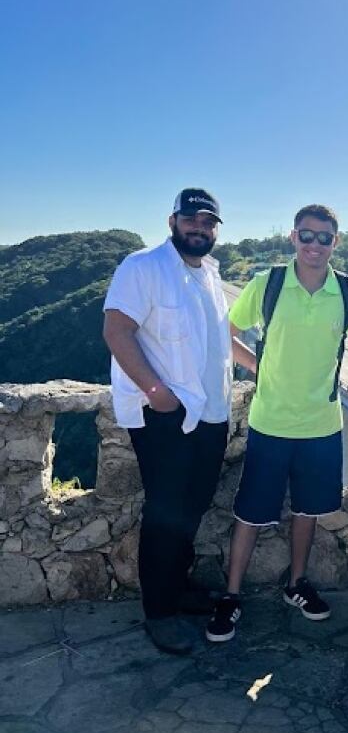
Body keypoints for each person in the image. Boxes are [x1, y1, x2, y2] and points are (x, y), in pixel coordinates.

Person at [206, 205, 348, 642]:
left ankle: (297, 584)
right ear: (293, 238)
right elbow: (225, 331)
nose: (314, 245)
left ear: (335, 242)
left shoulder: (345, 292)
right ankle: (231, 595)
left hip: (322, 424)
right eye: (306, 236)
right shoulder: (267, 284)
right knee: (251, 512)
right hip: (270, 421)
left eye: (323, 237)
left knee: (307, 510)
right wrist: (258, 366)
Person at [103, 188, 231, 655]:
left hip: (211, 414)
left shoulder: (211, 275)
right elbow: (116, 330)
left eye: (208, 221)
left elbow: (220, 342)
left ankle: (177, 589)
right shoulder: (144, 267)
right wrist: (157, 394)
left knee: (192, 507)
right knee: (164, 512)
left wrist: (263, 367)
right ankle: (159, 613)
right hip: (166, 416)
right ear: (172, 220)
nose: (199, 227)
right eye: (191, 218)